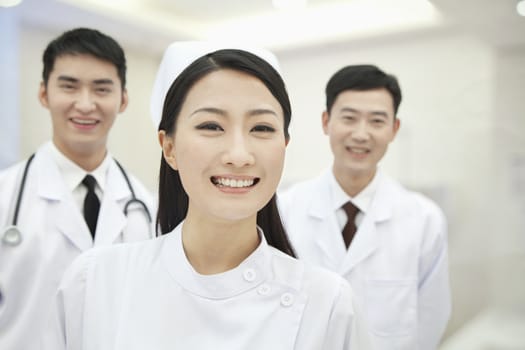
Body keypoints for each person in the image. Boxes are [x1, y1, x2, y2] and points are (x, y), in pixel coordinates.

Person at [41, 42, 372, 349]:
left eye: (262, 128)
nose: (239, 155)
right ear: (169, 147)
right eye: (211, 126)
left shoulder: (328, 304)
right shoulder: (94, 281)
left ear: (284, 146)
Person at [0, 28, 155, 350]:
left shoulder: (144, 204)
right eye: (69, 86)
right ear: (44, 94)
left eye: (101, 89)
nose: (85, 104)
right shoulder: (5, 195)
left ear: (123, 99)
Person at [278, 64, 451, 349]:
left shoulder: (424, 219)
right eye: (349, 118)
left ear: (394, 129)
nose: (361, 134)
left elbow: (432, 318)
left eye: (377, 121)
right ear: (326, 122)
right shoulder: (284, 209)